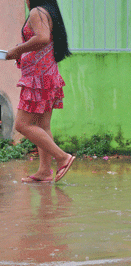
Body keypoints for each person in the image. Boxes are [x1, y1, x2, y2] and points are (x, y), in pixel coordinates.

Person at [6, 0, 75, 182]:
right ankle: (44, 171)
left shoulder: (38, 12)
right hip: (48, 75)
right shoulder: (48, 11)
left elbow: (42, 38)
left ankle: (62, 157)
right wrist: (22, 54)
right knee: (42, 126)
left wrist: (17, 50)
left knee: (22, 125)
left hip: (38, 78)